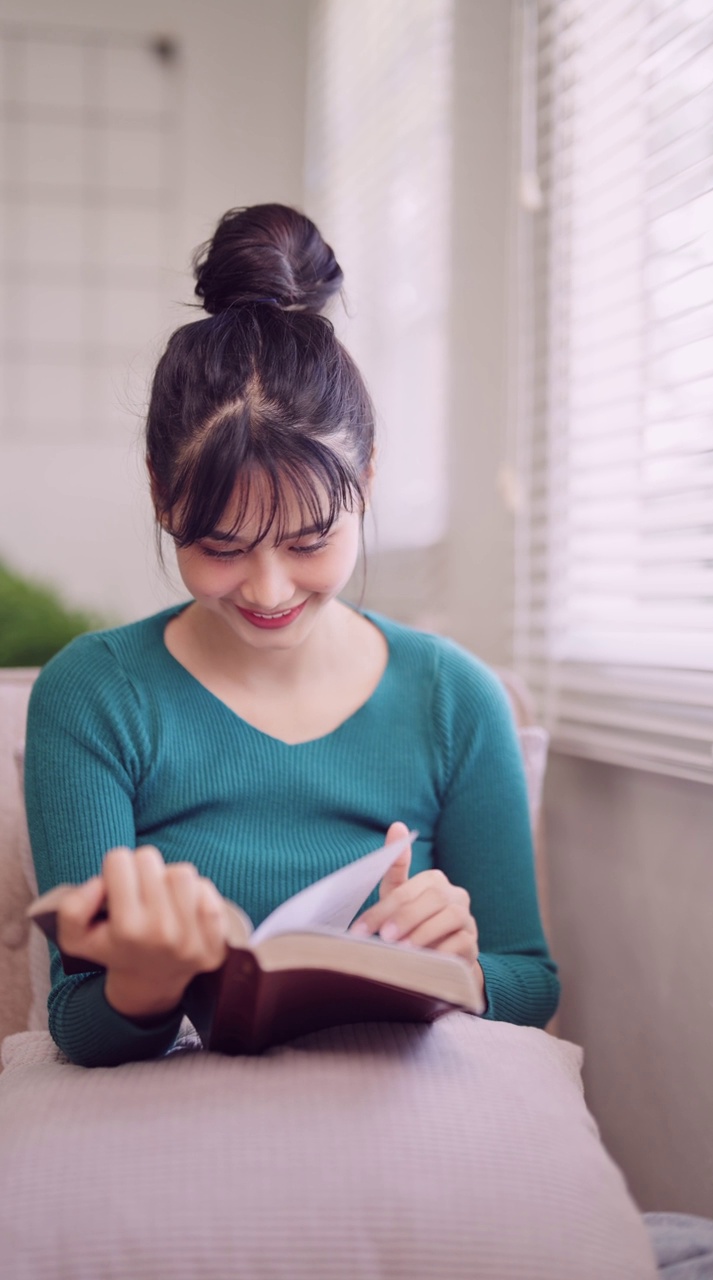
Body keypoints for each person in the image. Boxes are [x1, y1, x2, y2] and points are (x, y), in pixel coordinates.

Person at [23, 203, 560, 1069]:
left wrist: (461, 962)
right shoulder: (94, 694)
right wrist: (145, 981)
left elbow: (531, 982)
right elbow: (78, 1024)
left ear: (368, 481)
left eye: (311, 543)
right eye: (220, 548)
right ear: (162, 495)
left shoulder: (453, 698)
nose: (270, 590)